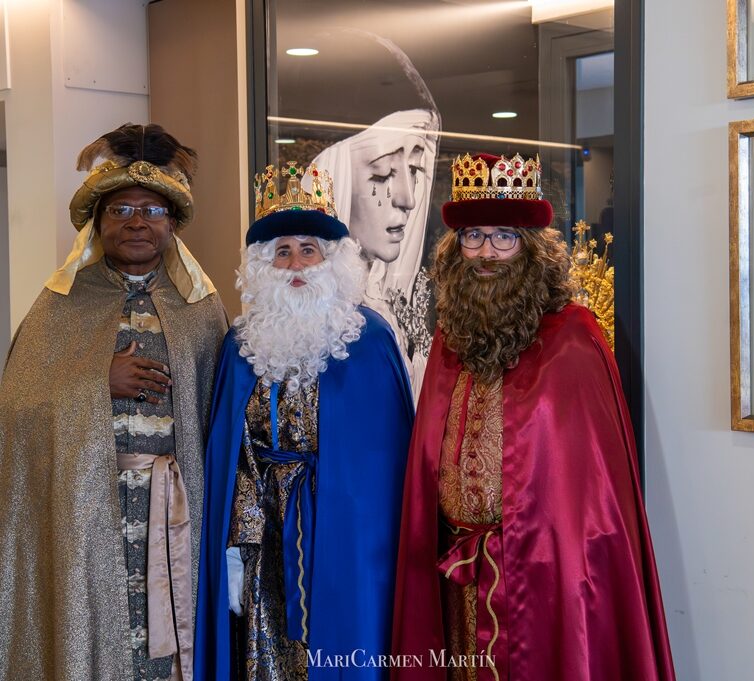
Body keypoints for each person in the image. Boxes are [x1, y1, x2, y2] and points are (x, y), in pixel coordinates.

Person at [392, 153, 676, 680]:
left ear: (532, 247)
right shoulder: (450, 339)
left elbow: (591, 502)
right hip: (454, 576)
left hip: (542, 577)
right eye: (473, 236)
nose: (487, 253)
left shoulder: (573, 339)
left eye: (504, 236)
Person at [0, 124, 227, 680]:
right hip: (85, 510)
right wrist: (95, 381)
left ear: (172, 224)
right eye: (121, 209)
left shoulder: (202, 309)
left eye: (151, 211)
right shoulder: (60, 303)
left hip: (176, 509)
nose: (136, 223)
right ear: (98, 223)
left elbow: (221, 416)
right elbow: (17, 411)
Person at [194, 162, 414, 681]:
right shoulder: (241, 345)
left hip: (348, 535)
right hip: (265, 534)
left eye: (308, 250)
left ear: (331, 260)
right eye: (282, 251)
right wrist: (239, 540)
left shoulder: (370, 340)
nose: (295, 264)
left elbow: (387, 466)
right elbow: (233, 453)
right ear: (263, 265)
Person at [298, 30, 442, 402]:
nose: (408, 199)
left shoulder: (412, 307)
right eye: (382, 174)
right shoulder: (300, 317)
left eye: (415, 170)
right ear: (333, 177)